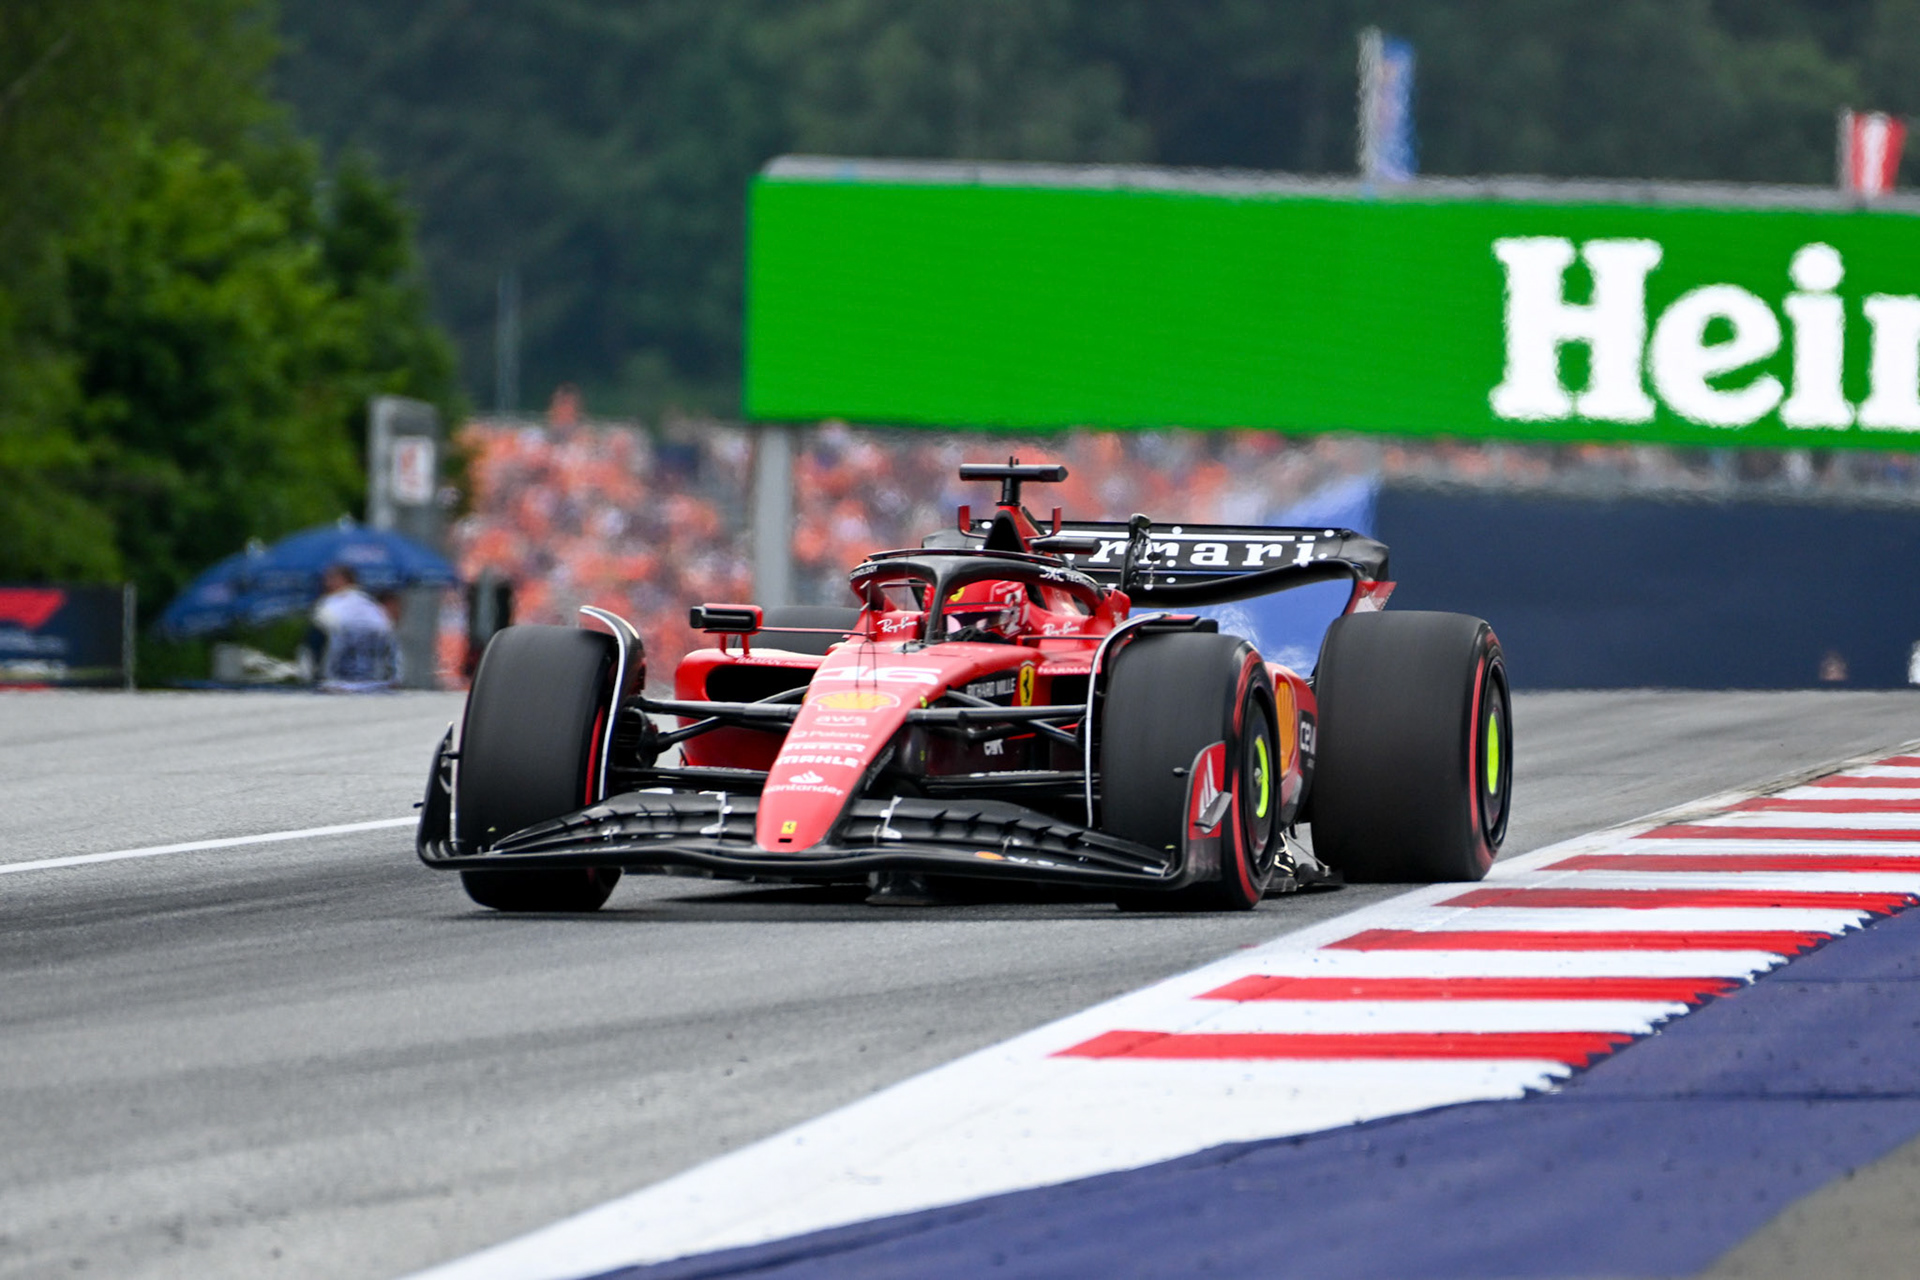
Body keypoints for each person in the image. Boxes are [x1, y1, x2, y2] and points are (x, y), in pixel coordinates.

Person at [304, 563, 398, 691]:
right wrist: (394, 677)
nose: (325, 583)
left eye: (330, 578)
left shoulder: (330, 605)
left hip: (337, 684)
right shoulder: (372, 606)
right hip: (375, 684)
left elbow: (316, 642)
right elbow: (390, 642)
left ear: (343, 579)